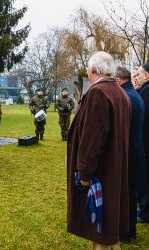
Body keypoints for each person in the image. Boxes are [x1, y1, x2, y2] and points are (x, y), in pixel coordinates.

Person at [67, 52, 131, 250]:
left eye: (87, 67)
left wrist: (84, 172)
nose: (86, 70)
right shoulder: (119, 92)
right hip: (114, 167)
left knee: (101, 226)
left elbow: (93, 138)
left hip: (101, 172)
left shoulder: (99, 92)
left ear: (93, 69)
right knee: (108, 226)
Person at [115, 66, 145, 242]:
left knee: (126, 193)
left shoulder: (126, 97)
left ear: (118, 80)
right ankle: (129, 230)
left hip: (129, 152)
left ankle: (126, 232)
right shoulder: (136, 95)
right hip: (137, 149)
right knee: (130, 193)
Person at [136, 63, 149, 223]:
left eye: (139, 74)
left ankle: (145, 213)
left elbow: (144, 123)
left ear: (146, 76)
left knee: (145, 179)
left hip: (145, 144)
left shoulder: (146, 92)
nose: (137, 78)